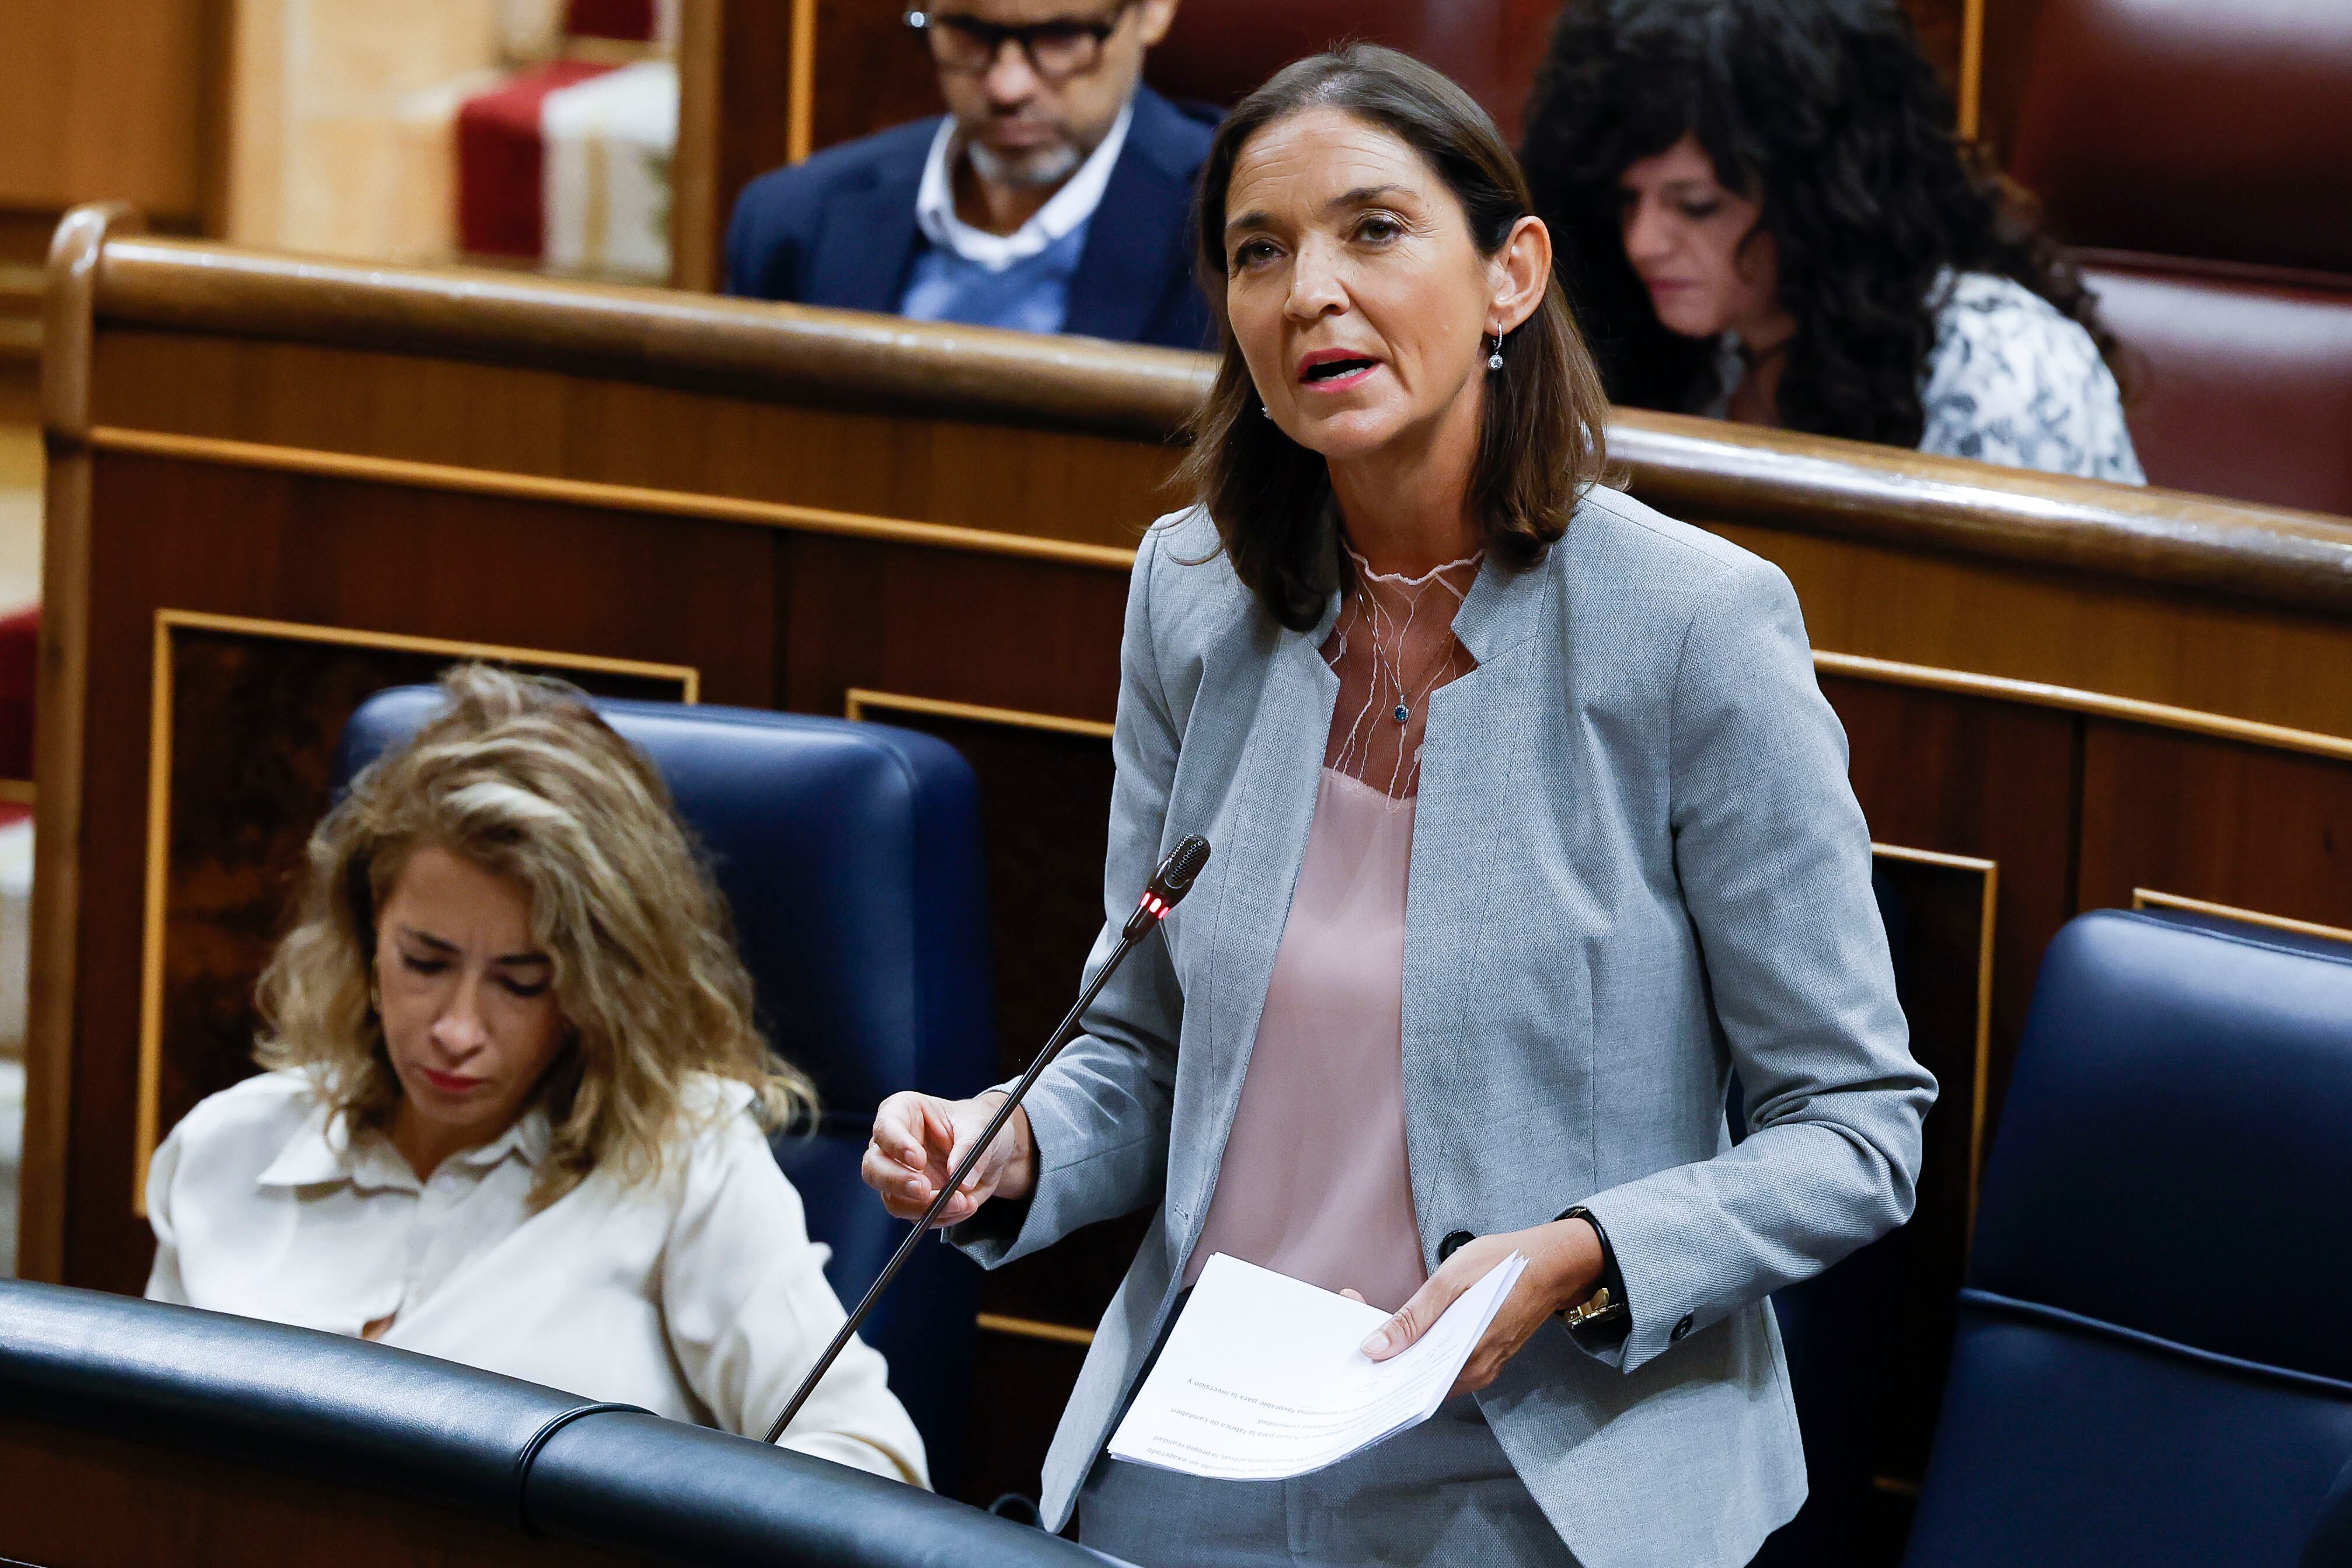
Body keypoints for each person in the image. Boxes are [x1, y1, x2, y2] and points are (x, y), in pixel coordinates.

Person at [861, 44, 1935, 1568]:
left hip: (1538, 1471)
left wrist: (1579, 1256)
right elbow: (1141, 1039)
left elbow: (1855, 1125)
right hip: (1203, 1449)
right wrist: (1007, 1142)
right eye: (1258, 251)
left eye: (1372, 229)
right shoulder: (1190, 592)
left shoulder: (1690, 626)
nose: (1309, 292)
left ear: (1510, 275)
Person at [145, 664, 926, 1486]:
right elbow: (138, 1477)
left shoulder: (685, 1161)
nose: (456, 1030)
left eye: (522, 981)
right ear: (366, 930)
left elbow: (869, 1471)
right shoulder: (226, 1148)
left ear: (597, 988)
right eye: (424, 960)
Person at [1520, 0, 2145, 484]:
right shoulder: (1702, 353)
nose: (1643, 243)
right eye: (1627, 200)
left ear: (1814, 197)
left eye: (1697, 205)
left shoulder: (2003, 371)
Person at [724, 0, 1213, 351]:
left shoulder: (1234, 219)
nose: (1007, 87)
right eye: (969, 33)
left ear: (1152, 11)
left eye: (1062, 36)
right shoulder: (792, 222)